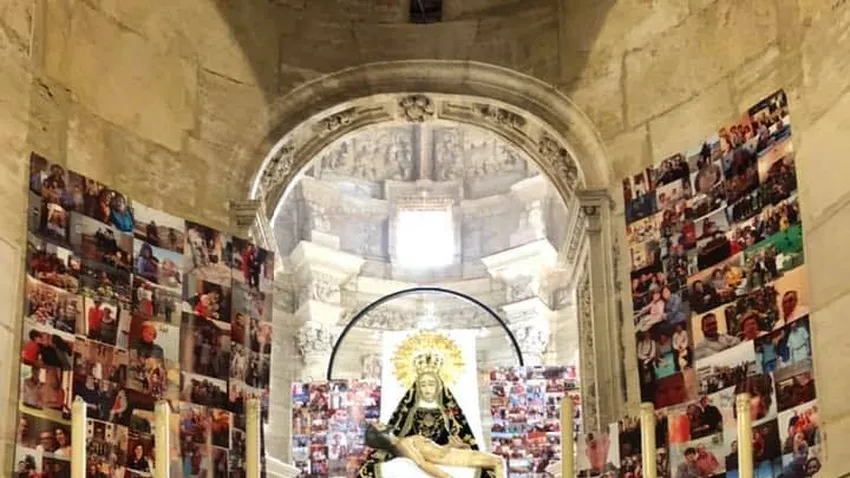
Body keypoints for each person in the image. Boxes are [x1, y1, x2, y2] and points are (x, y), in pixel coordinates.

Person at [357, 357, 497, 478]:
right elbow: (409, 452)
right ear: (417, 387)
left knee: (489, 466)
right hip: (421, 459)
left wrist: (455, 445)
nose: (427, 389)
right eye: (423, 385)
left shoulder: (449, 412)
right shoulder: (407, 412)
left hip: (442, 455)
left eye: (431, 384)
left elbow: (440, 445)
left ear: (438, 386)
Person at [364, 423, 505, 478]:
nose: (382, 423)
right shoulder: (403, 444)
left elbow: (435, 450)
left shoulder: (404, 441)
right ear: (381, 435)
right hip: (450, 458)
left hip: (450, 453)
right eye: (379, 426)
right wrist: (446, 476)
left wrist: (450, 445)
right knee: (498, 462)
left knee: (497, 462)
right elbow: (421, 463)